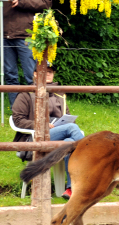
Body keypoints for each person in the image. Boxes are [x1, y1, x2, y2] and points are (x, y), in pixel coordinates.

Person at [12, 64, 85, 199]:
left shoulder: (59, 95)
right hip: (35, 137)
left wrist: (66, 121)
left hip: (59, 135)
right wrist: (42, 125)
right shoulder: (25, 94)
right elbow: (18, 120)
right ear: (35, 74)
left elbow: (68, 118)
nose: (48, 74)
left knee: (70, 143)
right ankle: (89, 157)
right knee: (72, 129)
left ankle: (70, 189)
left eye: (50, 72)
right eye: (44, 72)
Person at [3, 0, 52, 107]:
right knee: (10, 75)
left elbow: (46, 3)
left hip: (27, 35)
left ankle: (37, 109)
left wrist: (20, 2)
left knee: (32, 76)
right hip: (4, 34)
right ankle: (16, 111)